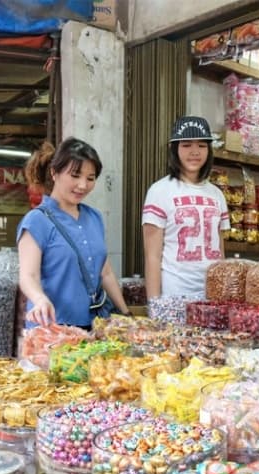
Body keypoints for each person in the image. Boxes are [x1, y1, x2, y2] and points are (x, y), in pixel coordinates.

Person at [17, 137, 129, 328]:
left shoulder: (94, 218)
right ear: (54, 173)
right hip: (53, 330)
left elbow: (106, 272)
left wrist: (126, 313)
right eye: (75, 175)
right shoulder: (36, 221)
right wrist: (40, 299)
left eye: (90, 178)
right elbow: (28, 276)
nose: (83, 185)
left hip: (95, 327)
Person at [142, 116, 229, 298]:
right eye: (186, 145)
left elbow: (220, 251)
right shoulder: (160, 191)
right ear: (174, 149)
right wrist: (155, 305)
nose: (195, 152)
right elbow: (152, 256)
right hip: (174, 296)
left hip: (211, 297)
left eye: (202, 145)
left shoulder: (217, 195)